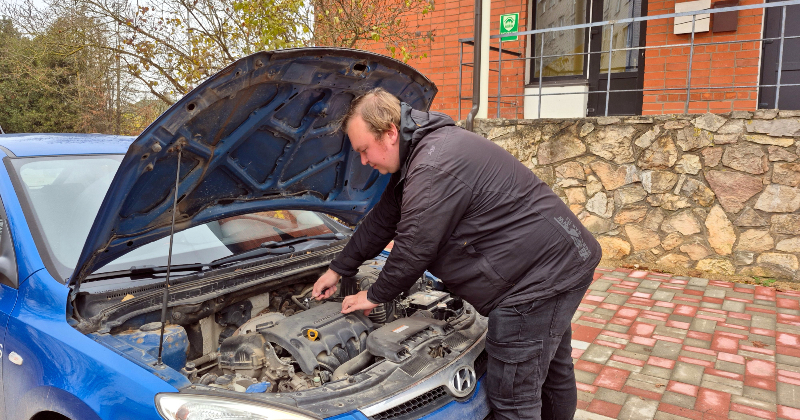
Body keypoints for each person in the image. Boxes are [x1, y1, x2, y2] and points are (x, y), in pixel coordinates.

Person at [311, 88, 601, 420]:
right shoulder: (424, 154)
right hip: (558, 263)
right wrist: (337, 269)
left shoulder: (432, 165)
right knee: (552, 368)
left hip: (535, 282)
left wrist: (375, 295)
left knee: (513, 397)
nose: (364, 161)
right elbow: (380, 222)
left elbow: (414, 245)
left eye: (364, 150)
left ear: (390, 132)